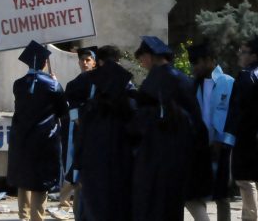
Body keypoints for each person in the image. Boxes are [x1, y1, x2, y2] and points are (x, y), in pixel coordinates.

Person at [131, 36, 210, 221]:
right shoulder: (180, 78)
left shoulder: (158, 80)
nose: (142, 63)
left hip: (163, 154)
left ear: (149, 56)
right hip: (183, 150)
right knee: (188, 201)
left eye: (142, 58)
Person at [7, 41, 69, 221]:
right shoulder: (52, 85)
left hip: (22, 138)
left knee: (23, 178)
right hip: (45, 139)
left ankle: (23, 217)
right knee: (41, 182)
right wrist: (55, 82)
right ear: (44, 63)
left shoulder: (18, 84)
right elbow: (63, 111)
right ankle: (37, 218)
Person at [76, 45, 136, 221]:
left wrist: (78, 164)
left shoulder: (92, 107)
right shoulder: (129, 100)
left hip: (96, 167)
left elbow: (82, 138)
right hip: (120, 166)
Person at [225, 37, 258, 221]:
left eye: (244, 52)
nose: (240, 55)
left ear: (254, 56)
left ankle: (249, 218)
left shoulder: (246, 76)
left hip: (246, 135)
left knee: (245, 181)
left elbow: (238, 108)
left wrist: (231, 132)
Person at [187, 44, 236, 221]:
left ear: (209, 60)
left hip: (222, 146)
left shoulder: (227, 82)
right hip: (200, 146)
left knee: (222, 194)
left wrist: (223, 140)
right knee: (198, 190)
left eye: (197, 63)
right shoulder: (194, 85)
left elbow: (233, 114)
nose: (194, 68)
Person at [59, 46, 97, 215]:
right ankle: (67, 203)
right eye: (82, 60)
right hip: (76, 128)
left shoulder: (100, 82)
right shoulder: (73, 84)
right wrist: (76, 118)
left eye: (88, 60)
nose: (84, 62)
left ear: (94, 62)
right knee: (72, 163)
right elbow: (70, 105)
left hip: (95, 129)